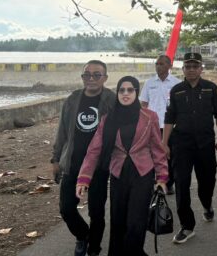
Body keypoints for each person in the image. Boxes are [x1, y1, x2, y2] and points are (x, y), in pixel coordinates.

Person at [76, 76, 169, 256]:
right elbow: (94, 150)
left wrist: (162, 177)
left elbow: (157, 149)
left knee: (136, 223)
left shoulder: (149, 117)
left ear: (136, 92)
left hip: (142, 174)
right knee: (118, 222)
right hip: (118, 174)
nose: (125, 93)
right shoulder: (108, 119)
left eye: (130, 90)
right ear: (117, 93)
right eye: (121, 90)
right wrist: (83, 178)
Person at [51, 60, 115, 256]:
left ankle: (94, 249)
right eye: (87, 74)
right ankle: (83, 235)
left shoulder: (112, 100)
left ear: (105, 78)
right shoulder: (72, 99)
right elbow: (62, 130)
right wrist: (55, 159)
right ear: (82, 77)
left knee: (96, 212)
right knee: (67, 209)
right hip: (72, 163)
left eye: (97, 75)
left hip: (99, 166)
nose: (91, 79)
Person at [162, 52, 217, 244]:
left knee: (207, 181)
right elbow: (169, 119)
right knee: (181, 184)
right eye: (187, 66)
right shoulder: (176, 91)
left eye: (195, 66)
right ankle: (187, 226)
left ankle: (207, 204)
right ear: (182, 69)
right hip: (181, 144)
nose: (191, 69)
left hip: (205, 144)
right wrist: (164, 143)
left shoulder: (211, 89)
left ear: (201, 68)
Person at [139, 54, 181, 194]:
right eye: (157, 63)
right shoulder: (149, 83)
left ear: (170, 66)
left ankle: (169, 183)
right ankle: (154, 182)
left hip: (171, 126)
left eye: (162, 64)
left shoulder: (176, 83)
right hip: (153, 126)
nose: (159, 66)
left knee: (171, 156)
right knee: (152, 155)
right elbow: (144, 104)